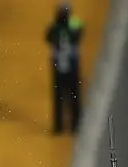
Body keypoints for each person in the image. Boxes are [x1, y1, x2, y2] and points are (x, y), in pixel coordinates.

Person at [46, 3, 83, 134]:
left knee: (66, 97)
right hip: (65, 66)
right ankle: (66, 125)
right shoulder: (65, 27)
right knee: (66, 97)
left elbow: (48, 37)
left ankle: (66, 125)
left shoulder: (59, 27)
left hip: (64, 66)